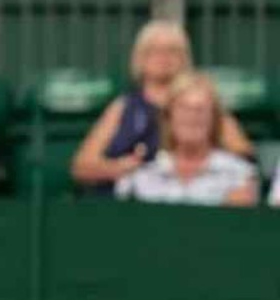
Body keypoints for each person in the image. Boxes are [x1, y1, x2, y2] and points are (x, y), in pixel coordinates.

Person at [72, 20, 253, 194]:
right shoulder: (123, 106)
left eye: (172, 51)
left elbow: (242, 157)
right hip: (126, 201)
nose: (163, 57)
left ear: (185, 58)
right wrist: (119, 168)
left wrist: (197, 166)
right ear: (140, 58)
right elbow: (81, 167)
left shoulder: (202, 102)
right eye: (154, 50)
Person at [116, 72, 258, 206]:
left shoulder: (240, 175)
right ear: (169, 117)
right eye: (183, 108)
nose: (192, 117)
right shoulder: (140, 174)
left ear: (214, 119)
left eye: (200, 110)